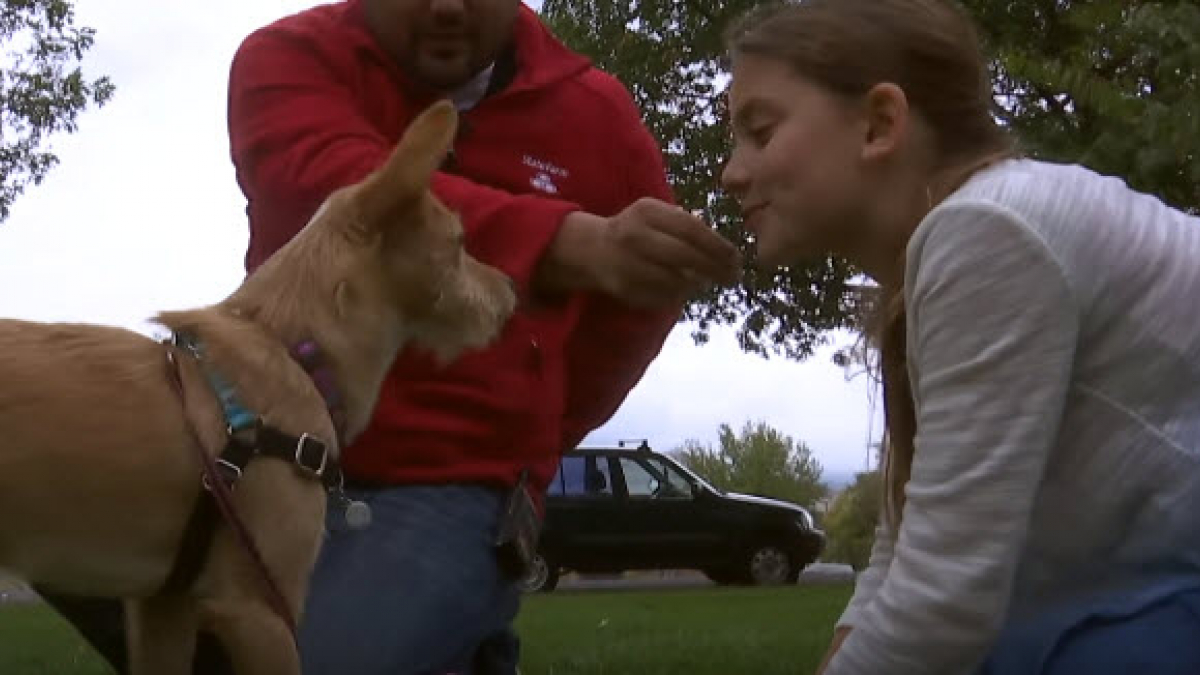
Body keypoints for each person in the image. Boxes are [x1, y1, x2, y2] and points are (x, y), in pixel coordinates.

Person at [40, 1, 739, 674]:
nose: (444, 5)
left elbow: (641, 298)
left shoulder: (598, 115)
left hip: (450, 480)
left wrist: (533, 427)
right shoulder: (288, 58)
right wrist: (565, 238)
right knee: (39, 474)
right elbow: (327, 185)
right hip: (253, 448)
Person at [719, 1, 1200, 674]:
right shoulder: (953, 251)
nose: (731, 172)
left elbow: (945, 602)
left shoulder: (991, 232)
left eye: (760, 132)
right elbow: (913, 543)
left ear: (881, 123)